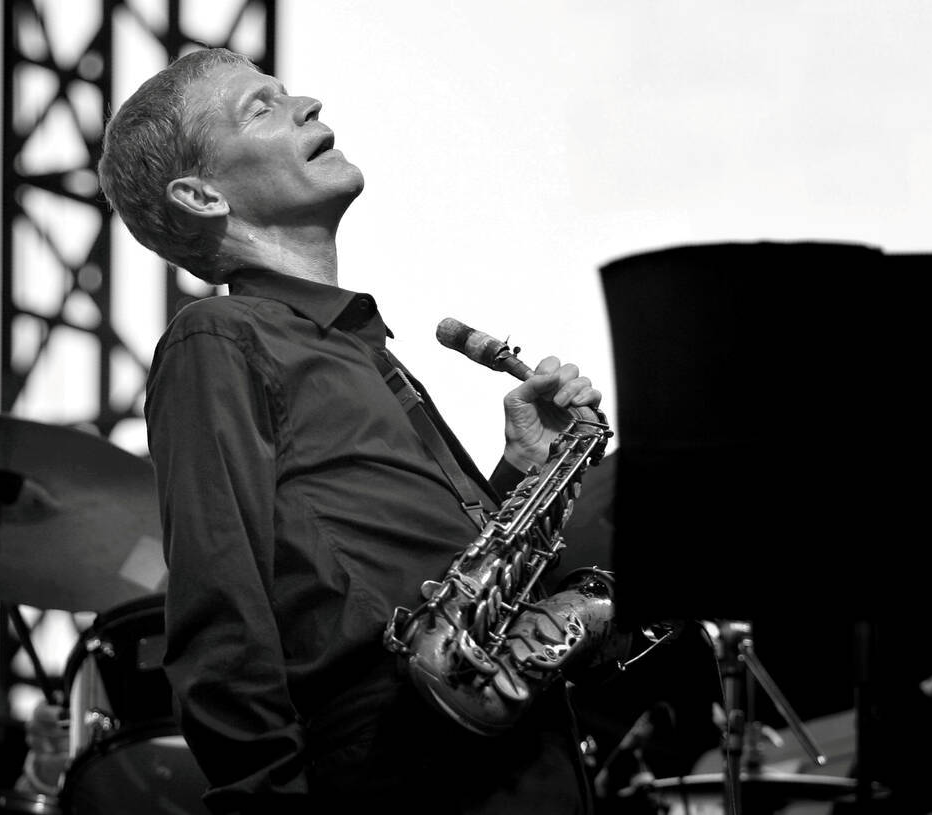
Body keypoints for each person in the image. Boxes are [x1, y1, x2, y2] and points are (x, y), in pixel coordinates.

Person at [97, 47, 606, 814]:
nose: (307, 102)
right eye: (260, 107)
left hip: (516, 751)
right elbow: (218, 607)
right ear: (201, 194)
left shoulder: (367, 351)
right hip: (401, 755)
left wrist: (520, 474)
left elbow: (443, 570)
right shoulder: (219, 336)